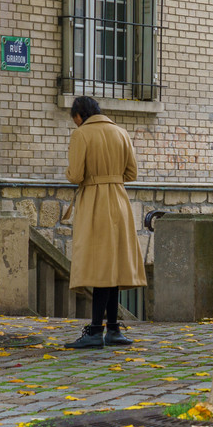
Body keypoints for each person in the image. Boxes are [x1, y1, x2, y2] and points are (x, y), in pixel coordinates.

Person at [63, 96, 147, 348]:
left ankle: (94, 332)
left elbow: (76, 174)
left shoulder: (81, 134)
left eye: (74, 118)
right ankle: (112, 329)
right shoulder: (121, 133)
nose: (75, 123)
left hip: (95, 203)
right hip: (119, 202)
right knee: (114, 265)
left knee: (100, 267)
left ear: (80, 115)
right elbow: (132, 173)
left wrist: (72, 174)